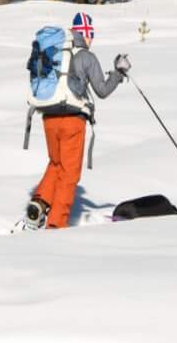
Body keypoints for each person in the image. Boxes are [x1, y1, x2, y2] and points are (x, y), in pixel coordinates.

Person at [24, 12, 129, 229]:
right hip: (72, 120)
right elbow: (102, 90)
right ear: (87, 33)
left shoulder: (57, 50)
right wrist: (118, 74)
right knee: (70, 173)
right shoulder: (86, 56)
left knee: (56, 163)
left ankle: (39, 202)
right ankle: (56, 225)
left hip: (48, 116)